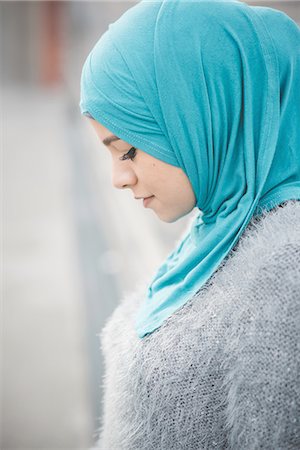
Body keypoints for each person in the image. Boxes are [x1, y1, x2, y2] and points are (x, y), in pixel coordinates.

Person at [79, 0, 300, 448]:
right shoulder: (225, 215)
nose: (119, 178)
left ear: (202, 109)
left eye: (126, 150)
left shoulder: (288, 272)